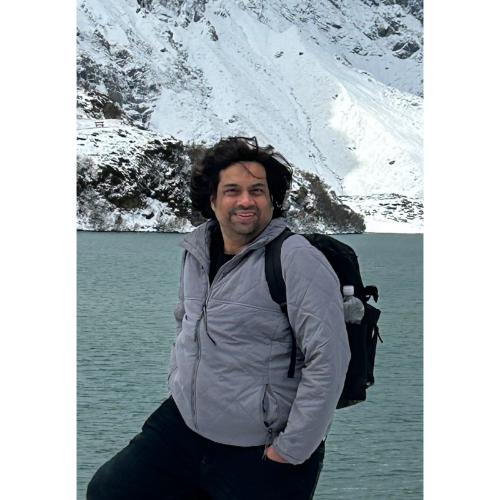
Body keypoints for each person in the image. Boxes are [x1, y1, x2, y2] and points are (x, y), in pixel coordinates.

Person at [87, 136, 351, 500]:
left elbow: (329, 361)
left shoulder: (296, 259)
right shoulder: (197, 249)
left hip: (260, 447)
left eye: (257, 191)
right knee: (110, 490)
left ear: (272, 199)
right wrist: (180, 382)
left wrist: (290, 450)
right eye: (232, 190)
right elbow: (186, 321)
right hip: (186, 428)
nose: (246, 201)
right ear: (212, 199)